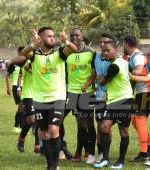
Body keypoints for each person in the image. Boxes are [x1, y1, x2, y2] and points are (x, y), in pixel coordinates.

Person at [12, 26, 77, 170]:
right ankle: (50, 164)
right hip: (40, 99)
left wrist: (66, 41)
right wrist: (32, 45)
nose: (52, 38)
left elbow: (73, 49)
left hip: (57, 98)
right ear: (41, 39)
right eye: (49, 36)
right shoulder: (35, 55)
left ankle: (54, 165)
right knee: (44, 133)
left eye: (53, 35)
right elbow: (23, 53)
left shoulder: (59, 53)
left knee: (54, 129)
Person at [93, 40, 134, 169]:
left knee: (123, 131)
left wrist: (99, 77)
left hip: (124, 101)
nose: (105, 53)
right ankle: (105, 159)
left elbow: (102, 82)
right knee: (104, 126)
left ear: (115, 50)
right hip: (112, 101)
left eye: (107, 50)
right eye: (103, 51)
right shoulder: (125, 62)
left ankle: (121, 161)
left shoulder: (114, 66)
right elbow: (131, 75)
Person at [61, 28, 97, 164]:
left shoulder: (91, 52)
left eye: (77, 35)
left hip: (85, 93)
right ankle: (61, 149)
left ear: (82, 36)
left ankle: (84, 152)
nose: (74, 37)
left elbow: (94, 72)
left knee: (85, 123)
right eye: (72, 36)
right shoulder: (66, 51)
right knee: (58, 119)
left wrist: (88, 84)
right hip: (70, 92)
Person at [123, 35, 150, 162]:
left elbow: (137, 71)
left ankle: (144, 152)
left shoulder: (137, 56)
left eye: (123, 44)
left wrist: (125, 71)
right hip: (141, 93)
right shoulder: (135, 56)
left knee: (140, 121)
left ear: (126, 44)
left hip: (147, 92)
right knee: (135, 121)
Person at [93, 33, 115, 163]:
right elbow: (95, 74)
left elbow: (103, 78)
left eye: (105, 42)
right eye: (100, 42)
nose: (102, 45)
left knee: (107, 125)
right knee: (99, 124)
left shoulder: (114, 60)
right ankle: (101, 153)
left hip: (112, 96)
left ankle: (105, 154)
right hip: (99, 96)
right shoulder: (95, 56)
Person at [16, 59, 41, 154]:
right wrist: (18, 87)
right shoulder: (28, 62)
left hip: (40, 94)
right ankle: (22, 139)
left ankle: (37, 145)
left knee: (37, 119)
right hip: (28, 94)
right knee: (32, 119)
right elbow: (25, 69)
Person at [6, 47, 25, 133]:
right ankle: (17, 127)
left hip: (25, 87)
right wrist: (8, 88)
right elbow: (7, 76)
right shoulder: (14, 64)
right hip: (16, 87)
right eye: (22, 52)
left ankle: (20, 127)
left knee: (23, 107)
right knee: (21, 106)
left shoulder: (25, 62)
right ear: (18, 52)